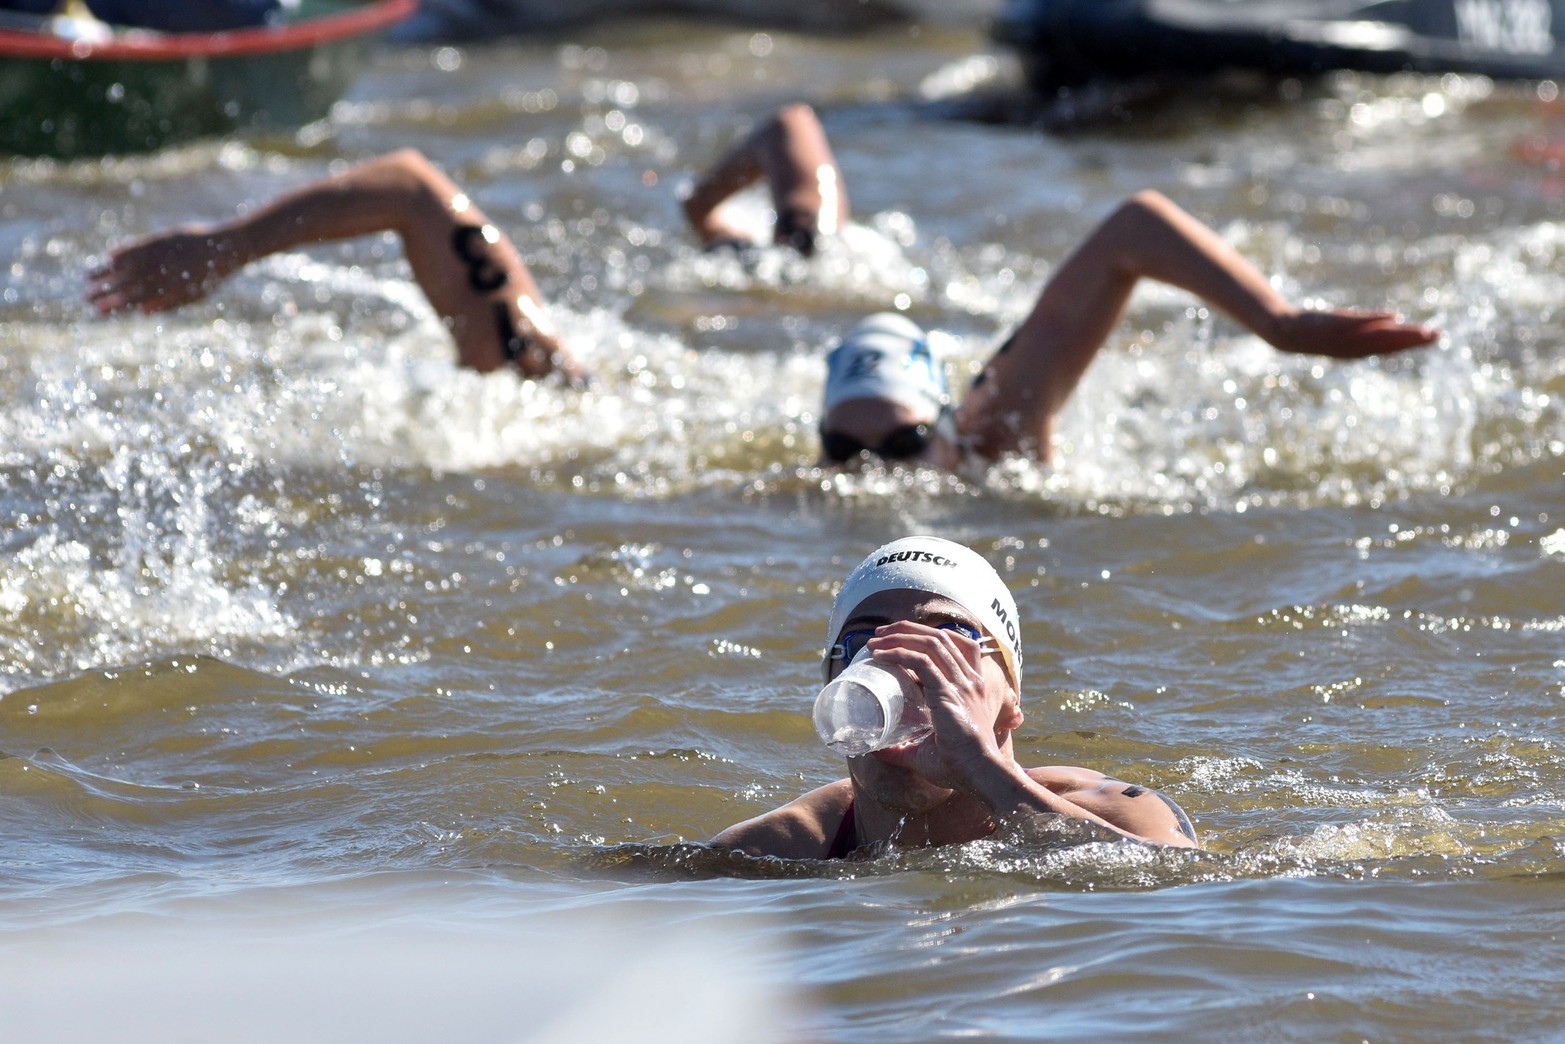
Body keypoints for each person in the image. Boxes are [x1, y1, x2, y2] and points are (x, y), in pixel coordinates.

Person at [684, 105, 1441, 468]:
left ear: (946, 425)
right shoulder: (785, 486)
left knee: (809, 250)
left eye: (904, 444)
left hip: (926, 307)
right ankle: (719, 221)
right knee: (802, 254)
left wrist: (1277, 322)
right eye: (842, 451)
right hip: (865, 288)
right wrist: (698, 211)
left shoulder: (991, 432)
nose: (872, 474)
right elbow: (788, 122)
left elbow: (1133, 228)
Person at [711, 535, 1199, 858]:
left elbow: (1189, 891)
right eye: (865, 643)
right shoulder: (780, 846)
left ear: (1009, 698)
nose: (905, 665)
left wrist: (983, 770)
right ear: (833, 686)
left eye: (950, 642)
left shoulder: (1118, 814)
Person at [87, 148, 584, 384]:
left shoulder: (523, 363)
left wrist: (229, 247)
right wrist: (227, 247)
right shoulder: (525, 352)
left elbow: (409, 187)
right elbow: (410, 185)